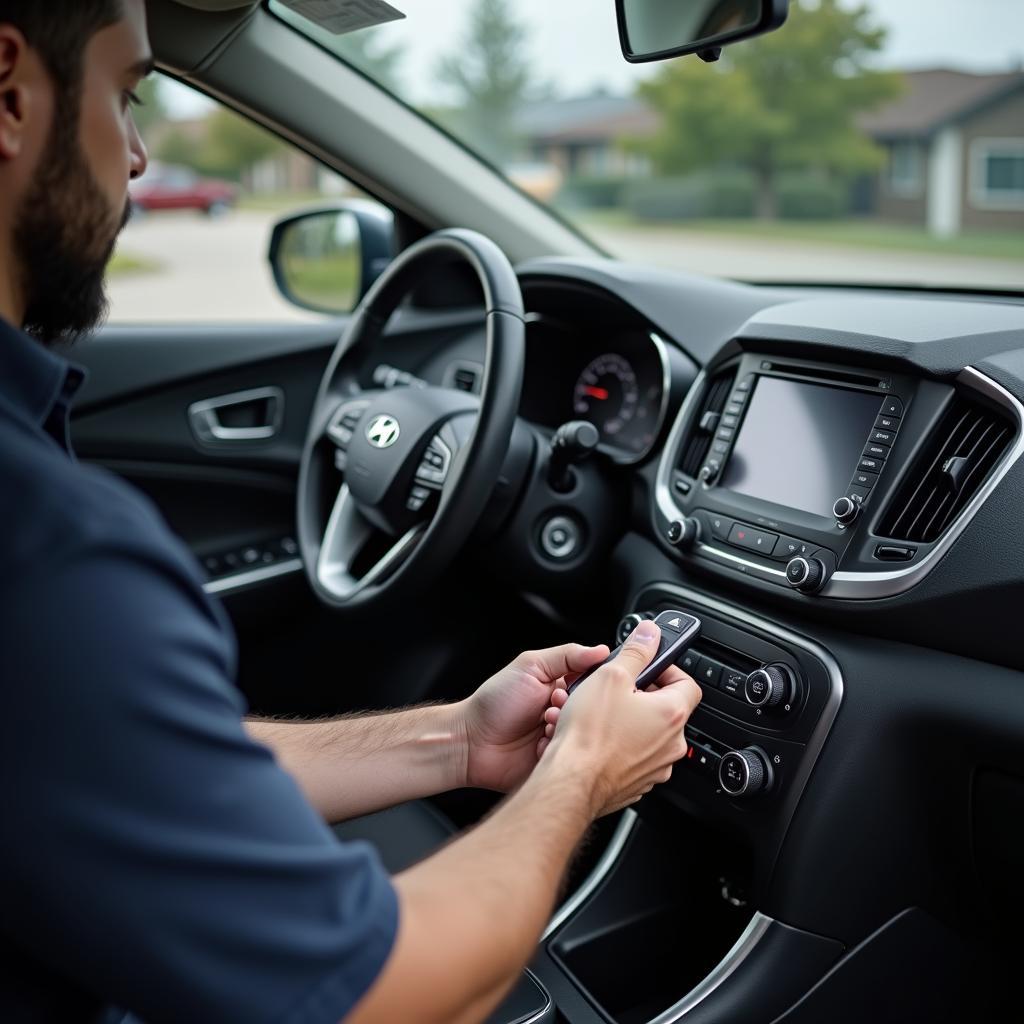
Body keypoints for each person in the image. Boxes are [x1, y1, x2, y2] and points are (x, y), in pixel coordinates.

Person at [0, 2, 702, 1022]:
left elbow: (130, 762)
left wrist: (456, 741)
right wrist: (583, 775)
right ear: (10, 91)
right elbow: (383, 998)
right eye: (127, 94)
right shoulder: (48, 551)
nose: (141, 156)